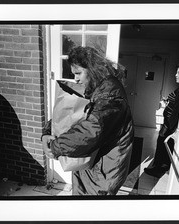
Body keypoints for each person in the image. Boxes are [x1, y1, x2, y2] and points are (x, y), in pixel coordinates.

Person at [42, 46, 134, 195]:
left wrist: (55, 147)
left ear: (92, 69)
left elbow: (91, 130)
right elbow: (71, 115)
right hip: (90, 164)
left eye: (78, 73)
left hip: (103, 172)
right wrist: (47, 131)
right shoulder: (96, 86)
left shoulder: (110, 95)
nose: (75, 79)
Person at [144, 63, 179, 178]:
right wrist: (168, 101)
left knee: (162, 145)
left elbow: (177, 111)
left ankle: (157, 169)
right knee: (162, 145)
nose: (175, 75)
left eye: (178, 73)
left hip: (169, 125)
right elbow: (175, 104)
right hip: (167, 124)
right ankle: (160, 166)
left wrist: (169, 127)